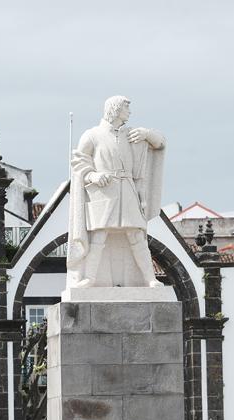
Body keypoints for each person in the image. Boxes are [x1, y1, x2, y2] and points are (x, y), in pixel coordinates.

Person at [67, 95, 166, 289]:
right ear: (116, 109)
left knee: (136, 234)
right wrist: (93, 176)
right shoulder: (92, 135)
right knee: (99, 235)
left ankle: (150, 279)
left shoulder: (132, 134)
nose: (129, 112)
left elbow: (160, 143)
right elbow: (79, 163)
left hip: (128, 189)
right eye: (126, 108)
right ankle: (89, 279)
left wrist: (146, 134)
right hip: (104, 192)